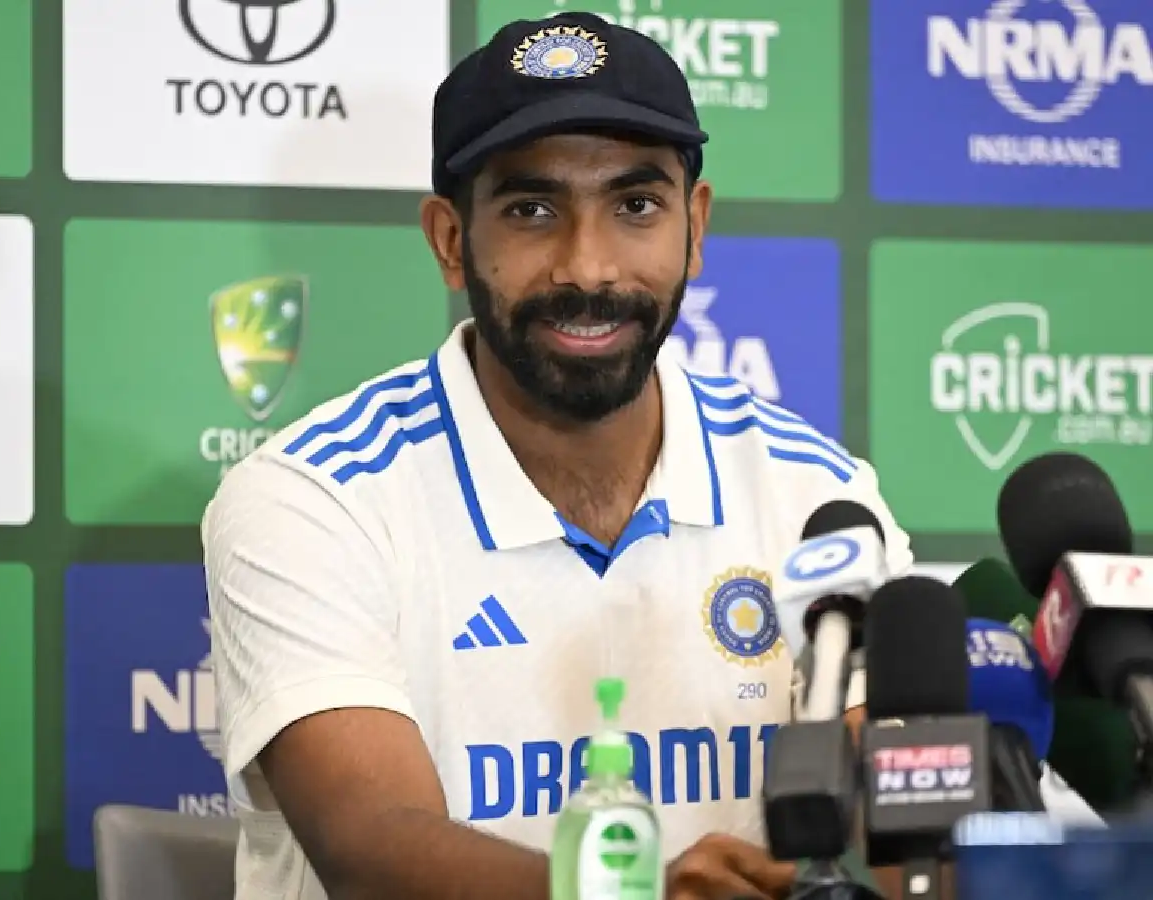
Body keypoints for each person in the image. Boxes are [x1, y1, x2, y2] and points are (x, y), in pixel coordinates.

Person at [202, 11, 913, 900]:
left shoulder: (819, 493)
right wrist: (641, 895)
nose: (589, 267)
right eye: (532, 209)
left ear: (694, 224)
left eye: (636, 206)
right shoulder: (311, 498)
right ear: (451, 240)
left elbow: (905, 807)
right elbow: (372, 843)